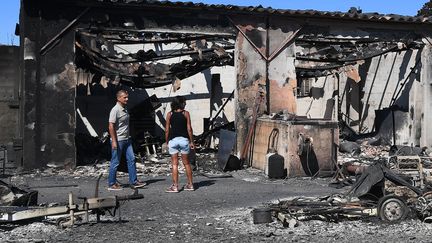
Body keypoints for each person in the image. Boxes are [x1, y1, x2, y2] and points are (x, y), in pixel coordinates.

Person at [108, 90, 146, 190]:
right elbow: (111, 126)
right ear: (118, 98)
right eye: (125, 97)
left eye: (127, 97)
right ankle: (111, 184)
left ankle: (133, 181)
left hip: (127, 139)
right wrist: (114, 141)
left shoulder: (125, 109)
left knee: (132, 159)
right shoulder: (115, 110)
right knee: (115, 162)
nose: (127, 99)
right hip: (118, 140)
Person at [165, 96, 195, 193]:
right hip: (184, 140)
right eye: (184, 102)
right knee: (186, 163)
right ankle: (190, 185)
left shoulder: (169, 114)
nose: (185, 104)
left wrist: (166, 141)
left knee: (174, 164)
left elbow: (167, 130)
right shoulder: (186, 113)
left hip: (173, 140)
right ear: (181, 103)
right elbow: (189, 129)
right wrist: (191, 141)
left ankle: (175, 186)